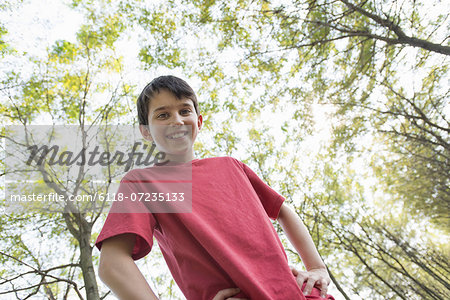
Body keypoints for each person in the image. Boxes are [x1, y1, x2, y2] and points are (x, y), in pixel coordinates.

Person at [96, 75, 334, 300]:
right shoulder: (141, 183)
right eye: (162, 115)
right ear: (146, 131)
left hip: (300, 293)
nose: (176, 120)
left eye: (184, 111)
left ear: (198, 121)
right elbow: (112, 263)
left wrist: (316, 267)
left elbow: (282, 209)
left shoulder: (231, 166)